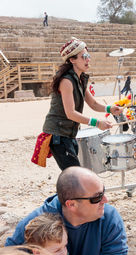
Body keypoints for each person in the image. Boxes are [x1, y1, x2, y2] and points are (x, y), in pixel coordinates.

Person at [31, 37, 123, 170]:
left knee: (74, 176)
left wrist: (110, 109)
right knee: (75, 176)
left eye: (88, 56)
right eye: (84, 56)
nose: (88, 59)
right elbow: (71, 113)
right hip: (59, 135)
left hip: (69, 134)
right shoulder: (66, 81)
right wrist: (97, 123)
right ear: (72, 60)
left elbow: (94, 104)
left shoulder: (80, 79)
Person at [5, 166, 128, 255]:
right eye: (97, 197)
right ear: (72, 204)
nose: (105, 200)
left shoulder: (109, 218)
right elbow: (10, 251)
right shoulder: (35, 225)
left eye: (104, 192)